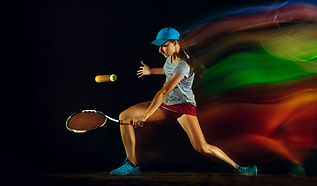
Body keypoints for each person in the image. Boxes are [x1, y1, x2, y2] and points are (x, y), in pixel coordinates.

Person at [110, 27, 257, 176]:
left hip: (183, 107)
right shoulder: (170, 58)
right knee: (125, 116)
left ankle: (239, 167)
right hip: (166, 104)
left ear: (175, 43)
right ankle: (132, 164)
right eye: (160, 46)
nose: (160, 50)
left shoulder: (184, 65)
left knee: (201, 147)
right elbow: (168, 70)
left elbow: (164, 91)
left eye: (164, 46)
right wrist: (152, 71)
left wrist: (144, 117)